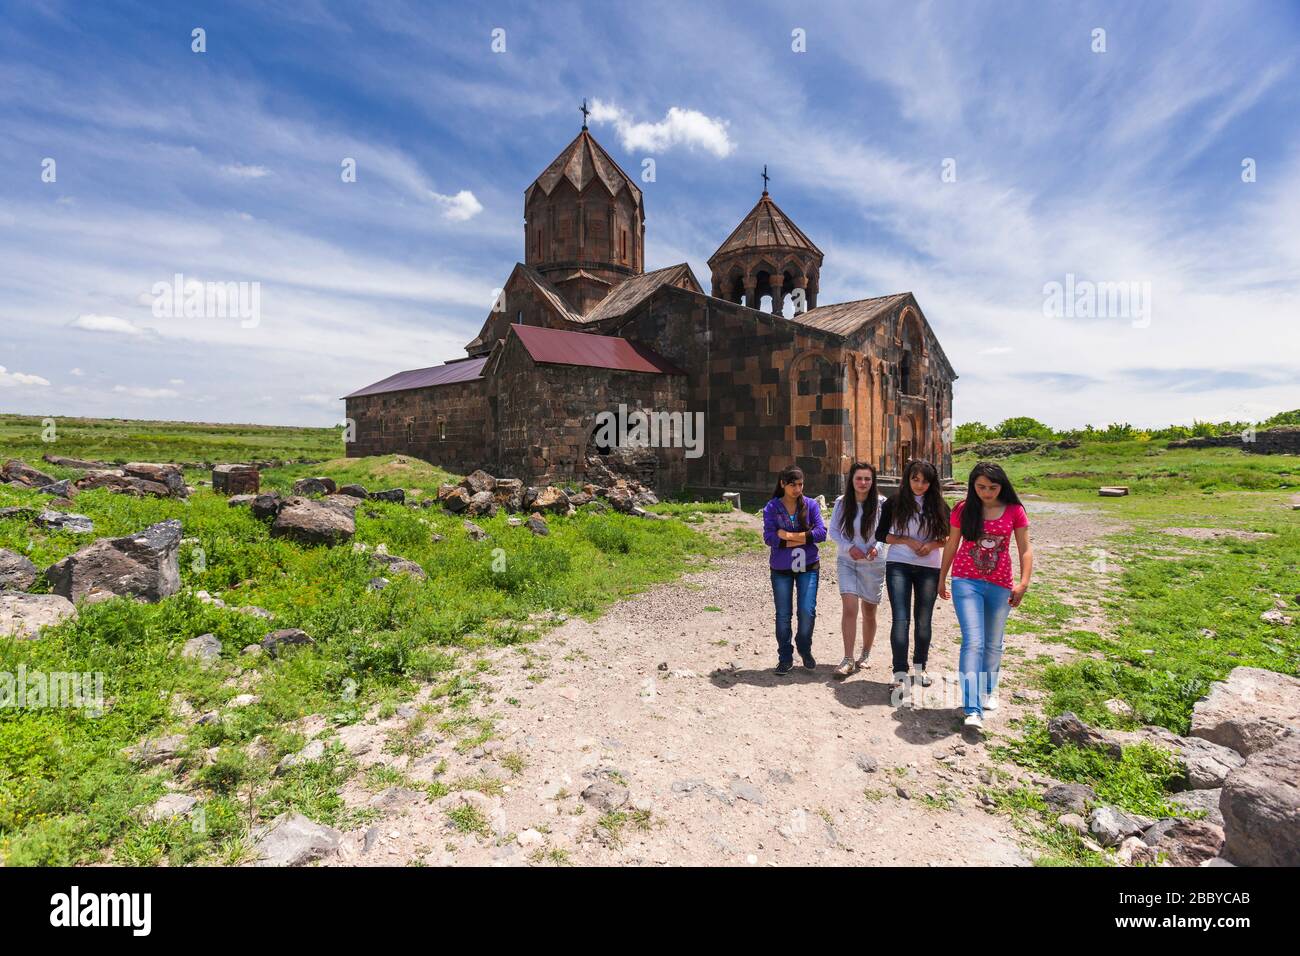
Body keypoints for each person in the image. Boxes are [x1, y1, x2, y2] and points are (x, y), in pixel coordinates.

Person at [939, 461, 1034, 730]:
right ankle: (972, 709)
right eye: (981, 487)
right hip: (966, 581)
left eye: (992, 487)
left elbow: (1026, 549)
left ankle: (989, 688)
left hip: (1000, 584)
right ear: (973, 486)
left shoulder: (1015, 510)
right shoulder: (962, 509)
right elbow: (951, 544)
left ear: (1002, 486)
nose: (987, 492)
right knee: (973, 642)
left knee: (993, 644)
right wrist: (941, 577)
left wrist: (1023, 584)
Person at [875, 459, 950, 696]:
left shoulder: (939, 505)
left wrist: (931, 545)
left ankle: (920, 668)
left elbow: (949, 538)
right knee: (900, 619)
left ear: (932, 482)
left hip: (929, 566)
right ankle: (899, 672)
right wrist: (906, 540)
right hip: (899, 563)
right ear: (907, 479)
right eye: (915, 479)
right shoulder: (894, 503)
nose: (919, 485)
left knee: (923, 619)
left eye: (925, 481)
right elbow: (881, 534)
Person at [762, 465, 827, 676]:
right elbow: (770, 538)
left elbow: (820, 533)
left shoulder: (811, 505)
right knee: (783, 615)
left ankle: (804, 646)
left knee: (807, 612)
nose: (797, 489)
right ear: (783, 484)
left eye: (800, 484)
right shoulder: (772, 508)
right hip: (781, 568)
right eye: (793, 485)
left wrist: (789, 537)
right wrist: (802, 538)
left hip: (808, 566)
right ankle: (785, 657)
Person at [828, 461, 887, 678]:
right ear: (851, 480)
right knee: (850, 607)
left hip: (873, 563)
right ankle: (847, 658)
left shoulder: (882, 503)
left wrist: (877, 547)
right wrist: (848, 547)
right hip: (848, 561)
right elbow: (833, 530)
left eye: (867, 479)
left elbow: (886, 530)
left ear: (873, 481)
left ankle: (866, 652)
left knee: (869, 611)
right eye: (859, 478)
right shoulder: (842, 503)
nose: (863, 483)